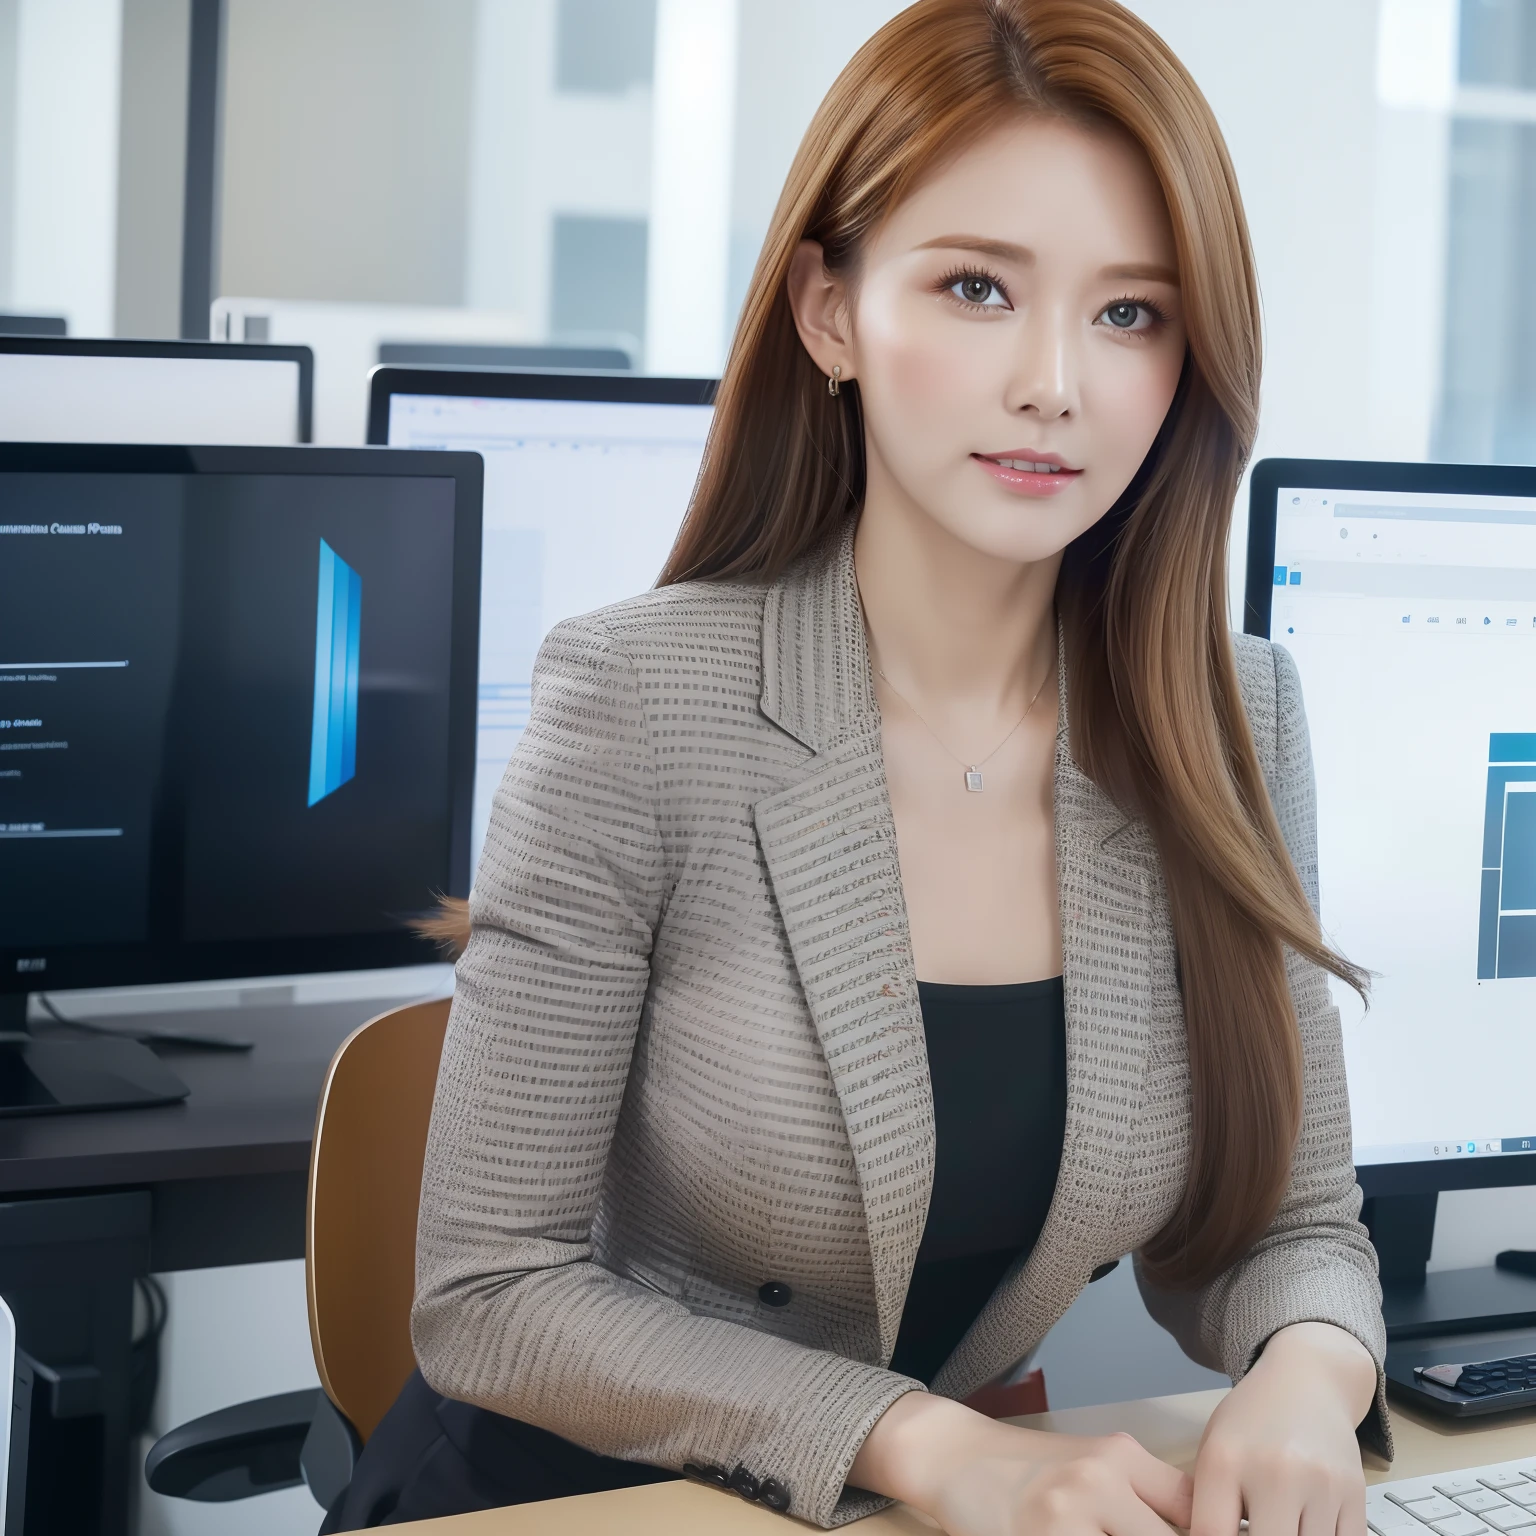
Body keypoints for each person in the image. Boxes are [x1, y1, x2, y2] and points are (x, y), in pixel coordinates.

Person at [327, 1, 1389, 1531]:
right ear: (830, 312)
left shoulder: (1235, 717)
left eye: (1130, 313)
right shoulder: (637, 699)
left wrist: (1305, 1370)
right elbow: (492, 1292)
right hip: (575, 1504)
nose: (1056, 385)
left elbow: (1287, 1225)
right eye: (976, 288)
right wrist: (919, 1440)